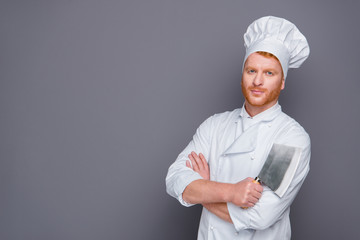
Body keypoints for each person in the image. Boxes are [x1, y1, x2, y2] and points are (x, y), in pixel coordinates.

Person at [166, 16, 311, 240]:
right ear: (242, 75)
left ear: (282, 82)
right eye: (251, 71)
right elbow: (175, 179)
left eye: (269, 73)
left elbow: (261, 216)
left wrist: (204, 189)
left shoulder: (291, 138)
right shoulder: (215, 125)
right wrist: (230, 192)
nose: (258, 81)